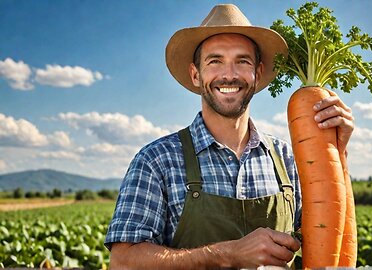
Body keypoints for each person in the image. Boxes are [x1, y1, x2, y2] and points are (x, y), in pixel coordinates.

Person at [105, 4, 354, 269]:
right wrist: (226, 254)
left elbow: (330, 240)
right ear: (195, 74)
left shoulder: (288, 159)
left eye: (242, 61)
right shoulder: (156, 160)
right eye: (215, 61)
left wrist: (336, 152)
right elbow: (123, 262)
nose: (229, 74)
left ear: (257, 73)